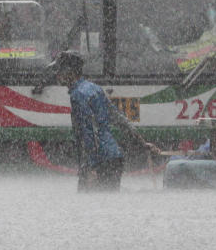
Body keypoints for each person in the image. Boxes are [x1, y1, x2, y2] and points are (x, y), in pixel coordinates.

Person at [49, 51, 160, 191]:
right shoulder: (94, 89)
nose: (56, 75)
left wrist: (92, 168)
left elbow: (89, 132)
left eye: (59, 70)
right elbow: (120, 119)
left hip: (99, 161)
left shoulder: (78, 96)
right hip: (114, 158)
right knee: (108, 205)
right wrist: (142, 143)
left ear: (70, 72)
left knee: (88, 206)